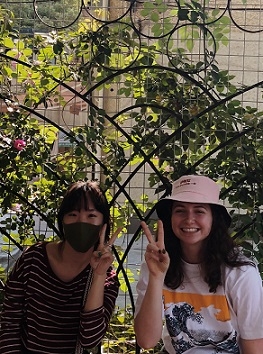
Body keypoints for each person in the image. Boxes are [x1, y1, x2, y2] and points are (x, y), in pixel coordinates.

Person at [134, 174, 263, 354]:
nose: (189, 219)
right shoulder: (156, 263)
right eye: (180, 210)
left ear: (214, 218)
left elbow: (254, 347)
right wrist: (156, 277)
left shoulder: (240, 272)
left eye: (199, 211)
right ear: (170, 218)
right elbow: (146, 340)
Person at [0, 180, 120, 354]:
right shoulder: (33, 258)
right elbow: (10, 320)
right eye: (72, 214)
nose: (81, 222)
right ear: (62, 220)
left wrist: (98, 275)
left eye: (91, 216)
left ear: (103, 225)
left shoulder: (107, 277)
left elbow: (90, 339)